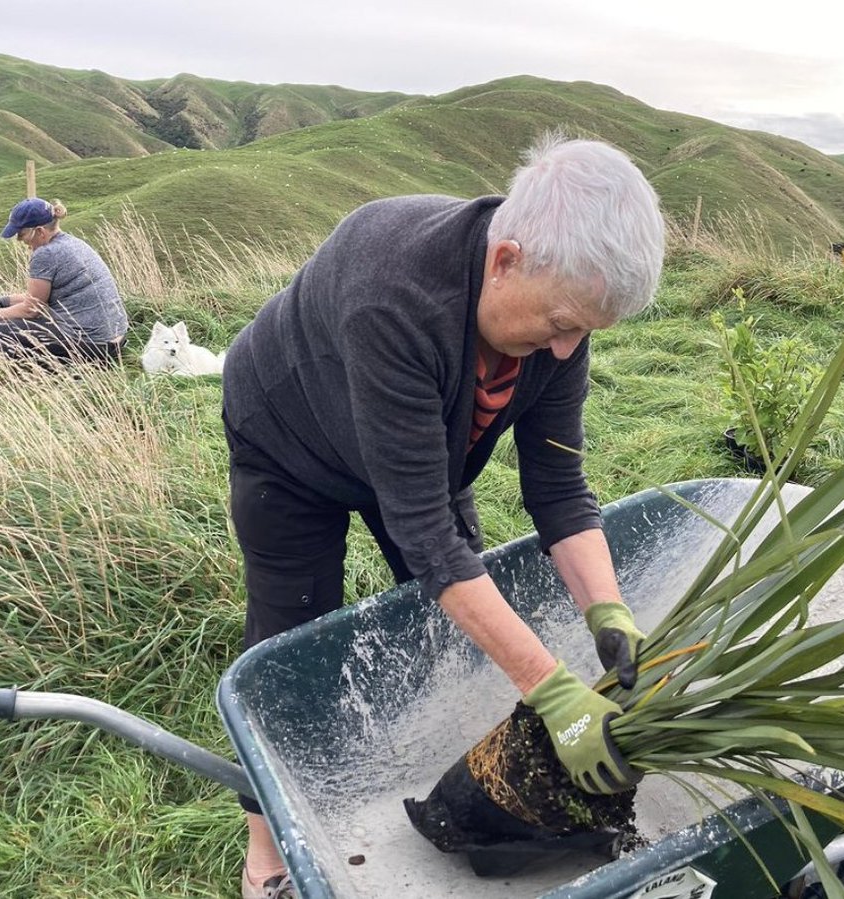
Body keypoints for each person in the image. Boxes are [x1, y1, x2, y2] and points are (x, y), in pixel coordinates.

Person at [222, 133, 664, 899]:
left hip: (425, 449)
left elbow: (558, 486)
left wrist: (609, 610)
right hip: (291, 447)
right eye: (561, 322)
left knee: (459, 635)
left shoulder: (561, 326)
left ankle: (464, 790)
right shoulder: (393, 296)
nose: (566, 350)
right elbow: (426, 533)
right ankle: (267, 851)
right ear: (506, 260)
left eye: (585, 331)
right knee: (291, 637)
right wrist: (554, 691)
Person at [0, 197, 129, 365]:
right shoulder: (73, 243)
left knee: (2, 331)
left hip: (94, 345)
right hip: (114, 339)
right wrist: (3, 301)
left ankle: (37, 374)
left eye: (21, 234)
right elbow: (38, 298)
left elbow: (32, 309)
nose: (19, 240)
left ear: (40, 231)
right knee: (14, 323)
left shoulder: (45, 254)